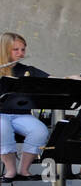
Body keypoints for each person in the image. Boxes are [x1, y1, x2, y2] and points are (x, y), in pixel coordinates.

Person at [0, 31, 55, 178]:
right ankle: (10, 169)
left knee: (40, 131)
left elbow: (52, 80)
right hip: (0, 114)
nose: (21, 53)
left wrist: (72, 78)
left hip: (21, 114)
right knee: (2, 128)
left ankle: (24, 169)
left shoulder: (27, 70)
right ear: (5, 50)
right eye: (16, 50)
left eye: (23, 49)